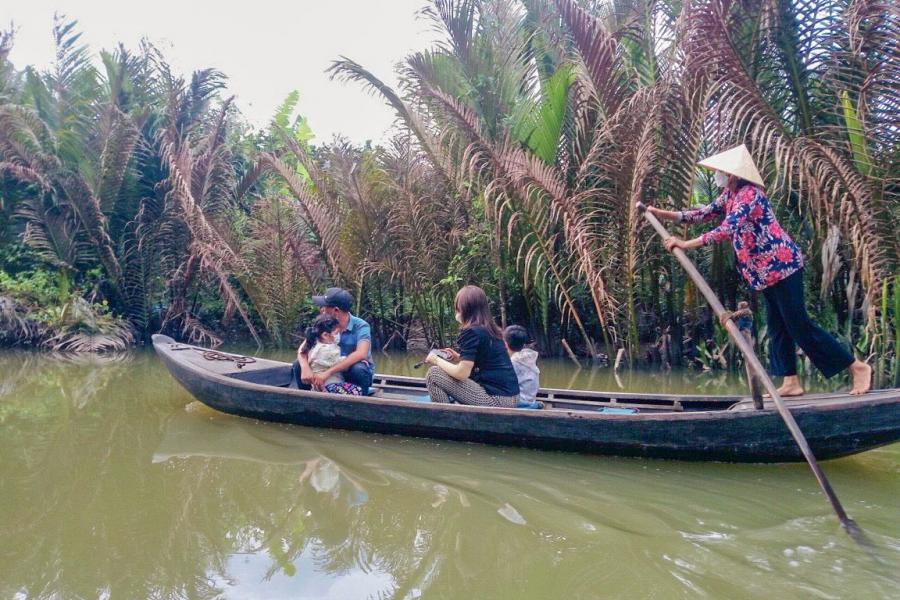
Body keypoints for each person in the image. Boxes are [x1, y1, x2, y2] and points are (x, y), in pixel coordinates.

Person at [647, 144, 872, 396]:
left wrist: (685, 244)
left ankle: (856, 366)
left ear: (733, 174)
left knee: (799, 325)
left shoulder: (750, 194)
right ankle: (791, 382)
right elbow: (702, 213)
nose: (717, 177)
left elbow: (727, 228)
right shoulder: (729, 195)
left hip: (782, 267)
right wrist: (660, 214)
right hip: (763, 274)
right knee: (777, 326)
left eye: (721, 172)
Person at [424, 285, 520, 407]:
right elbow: (487, 360)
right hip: (512, 397)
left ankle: (447, 418)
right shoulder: (491, 328)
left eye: (458, 308)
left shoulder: (471, 331)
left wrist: (436, 359)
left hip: (496, 400)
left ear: (466, 309)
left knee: (434, 374)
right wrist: (459, 357)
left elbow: (462, 373)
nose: (457, 312)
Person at [293, 287, 375, 395]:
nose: (321, 309)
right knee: (298, 364)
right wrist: (305, 368)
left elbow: (361, 354)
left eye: (324, 306)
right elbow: (304, 348)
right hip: (326, 372)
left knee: (359, 369)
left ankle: (360, 401)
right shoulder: (324, 323)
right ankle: (307, 399)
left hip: (348, 373)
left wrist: (328, 373)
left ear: (336, 310)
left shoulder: (361, 326)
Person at [304, 313, 363, 395]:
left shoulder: (315, 346)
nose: (339, 334)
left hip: (320, 386)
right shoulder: (326, 350)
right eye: (336, 332)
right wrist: (356, 358)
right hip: (330, 386)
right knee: (357, 390)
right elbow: (342, 364)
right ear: (325, 335)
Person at [503, 325, 543, 409]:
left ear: (505, 344)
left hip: (518, 402)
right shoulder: (529, 356)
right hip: (530, 399)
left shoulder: (513, 363)